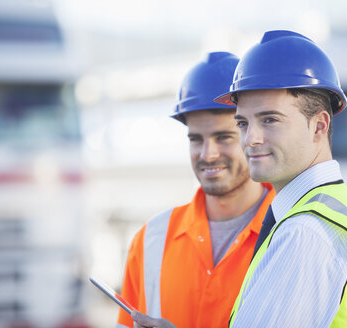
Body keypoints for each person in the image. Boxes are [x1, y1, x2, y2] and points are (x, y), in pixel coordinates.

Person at [212, 30, 347, 327]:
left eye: (269, 120)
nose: (250, 139)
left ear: (319, 126)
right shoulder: (329, 211)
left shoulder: (306, 233)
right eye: (243, 122)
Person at [116, 52, 275, 328]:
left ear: (253, 136)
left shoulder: (287, 232)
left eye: (223, 137)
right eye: (196, 139)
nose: (208, 154)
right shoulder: (150, 241)